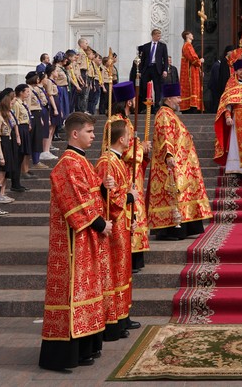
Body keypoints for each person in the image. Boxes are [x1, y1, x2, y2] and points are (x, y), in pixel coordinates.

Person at [39, 112, 113, 372]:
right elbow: (74, 199)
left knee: (88, 290)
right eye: (90, 132)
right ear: (74, 134)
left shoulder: (82, 161)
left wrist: (104, 189)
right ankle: (66, 353)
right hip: (73, 241)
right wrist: (101, 224)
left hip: (86, 238)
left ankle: (84, 348)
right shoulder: (68, 163)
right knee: (73, 292)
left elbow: (90, 194)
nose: (94, 136)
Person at [95, 119, 141, 342]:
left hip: (123, 224)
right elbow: (106, 197)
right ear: (121, 138)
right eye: (129, 135)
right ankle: (113, 319)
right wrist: (130, 197)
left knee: (123, 271)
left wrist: (131, 217)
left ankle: (123, 314)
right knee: (115, 272)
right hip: (113, 227)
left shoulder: (118, 161)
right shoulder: (107, 162)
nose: (131, 139)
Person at [149, 83, 213, 240]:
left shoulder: (169, 114)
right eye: (177, 97)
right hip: (170, 165)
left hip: (181, 165)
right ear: (169, 98)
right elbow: (165, 135)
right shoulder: (164, 115)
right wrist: (168, 155)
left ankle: (184, 228)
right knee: (172, 196)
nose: (180, 101)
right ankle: (170, 230)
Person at [105, 81, 151, 271]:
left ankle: (135, 256)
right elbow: (125, 151)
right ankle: (128, 257)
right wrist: (141, 148)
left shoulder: (125, 120)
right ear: (129, 102)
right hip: (123, 173)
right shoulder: (117, 122)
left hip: (132, 174)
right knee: (129, 212)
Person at [137, 28, 169, 105]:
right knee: (145, 87)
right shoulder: (146, 46)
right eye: (158, 36)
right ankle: (146, 105)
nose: (159, 37)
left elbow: (165, 58)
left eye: (159, 36)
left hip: (157, 68)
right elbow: (143, 59)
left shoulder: (163, 46)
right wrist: (140, 71)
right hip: (147, 68)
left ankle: (157, 106)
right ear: (153, 36)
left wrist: (165, 70)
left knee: (157, 88)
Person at [179, 30, 204, 112]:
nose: (192, 35)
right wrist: (200, 61)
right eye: (191, 34)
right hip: (190, 73)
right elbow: (193, 59)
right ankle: (192, 106)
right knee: (191, 88)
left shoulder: (189, 45)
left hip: (193, 71)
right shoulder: (187, 46)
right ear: (187, 36)